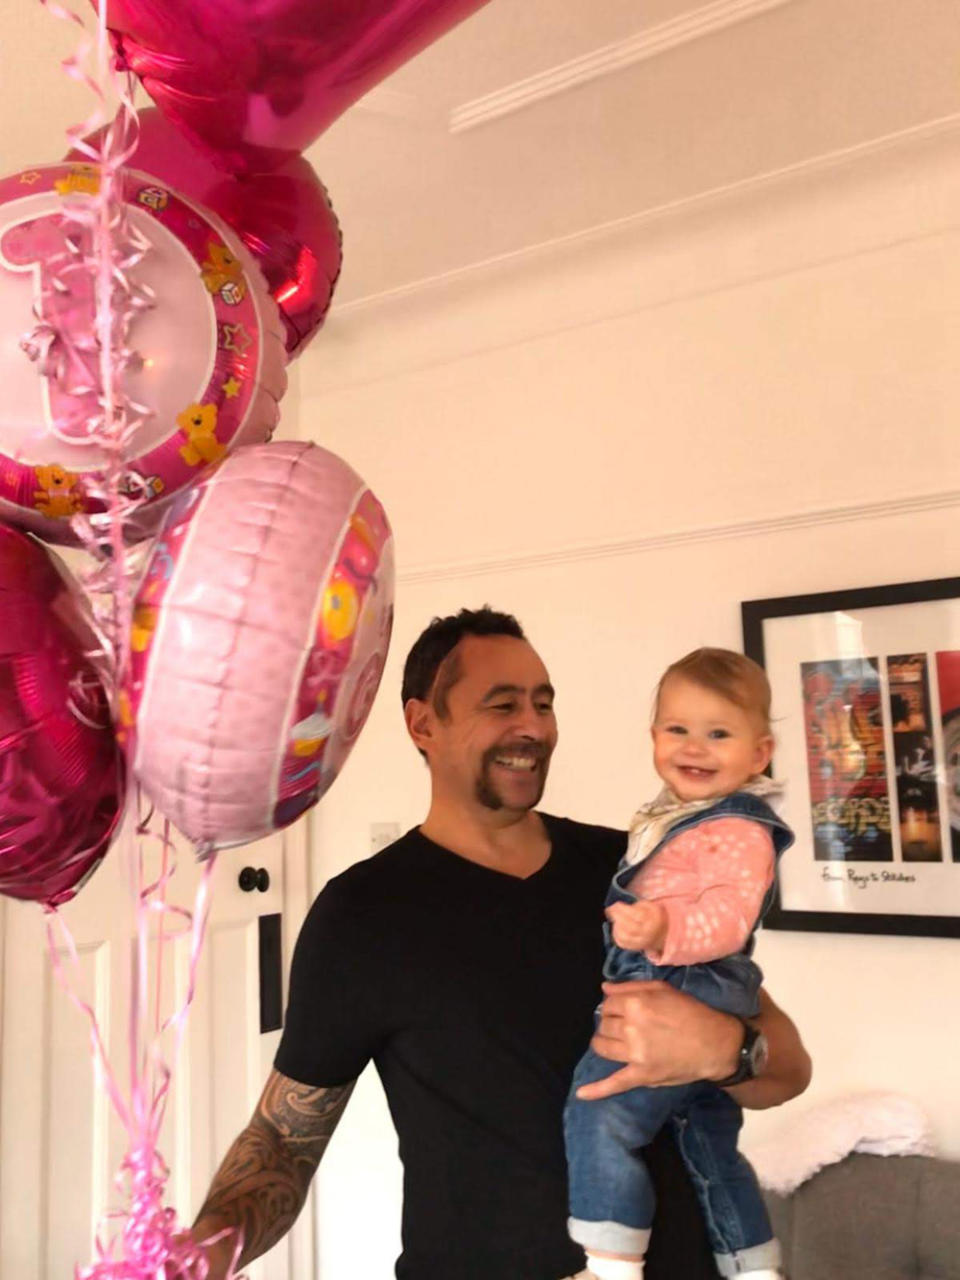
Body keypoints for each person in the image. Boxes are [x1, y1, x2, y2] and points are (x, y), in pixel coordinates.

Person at [187, 609, 811, 1280]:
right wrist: (195, 1258)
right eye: (503, 704)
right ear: (423, 723)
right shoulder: (364, 914)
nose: (534, 727)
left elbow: (788, 1069)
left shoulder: (632, 871)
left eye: (544, 704)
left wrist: (725, 1051)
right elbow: (283, 1137)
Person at [564, 649, 794, 1280]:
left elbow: (729, 916)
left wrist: (664, 928)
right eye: (678, 729)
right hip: (691, 981)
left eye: (719, 733)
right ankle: (752, 1266)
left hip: (682, 977)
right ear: (653, 736)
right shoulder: (679, 817)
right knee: (710, 1144)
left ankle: (610, 1264)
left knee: (598, 1113)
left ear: (760, 752)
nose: (695, 747)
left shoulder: (739, 828)